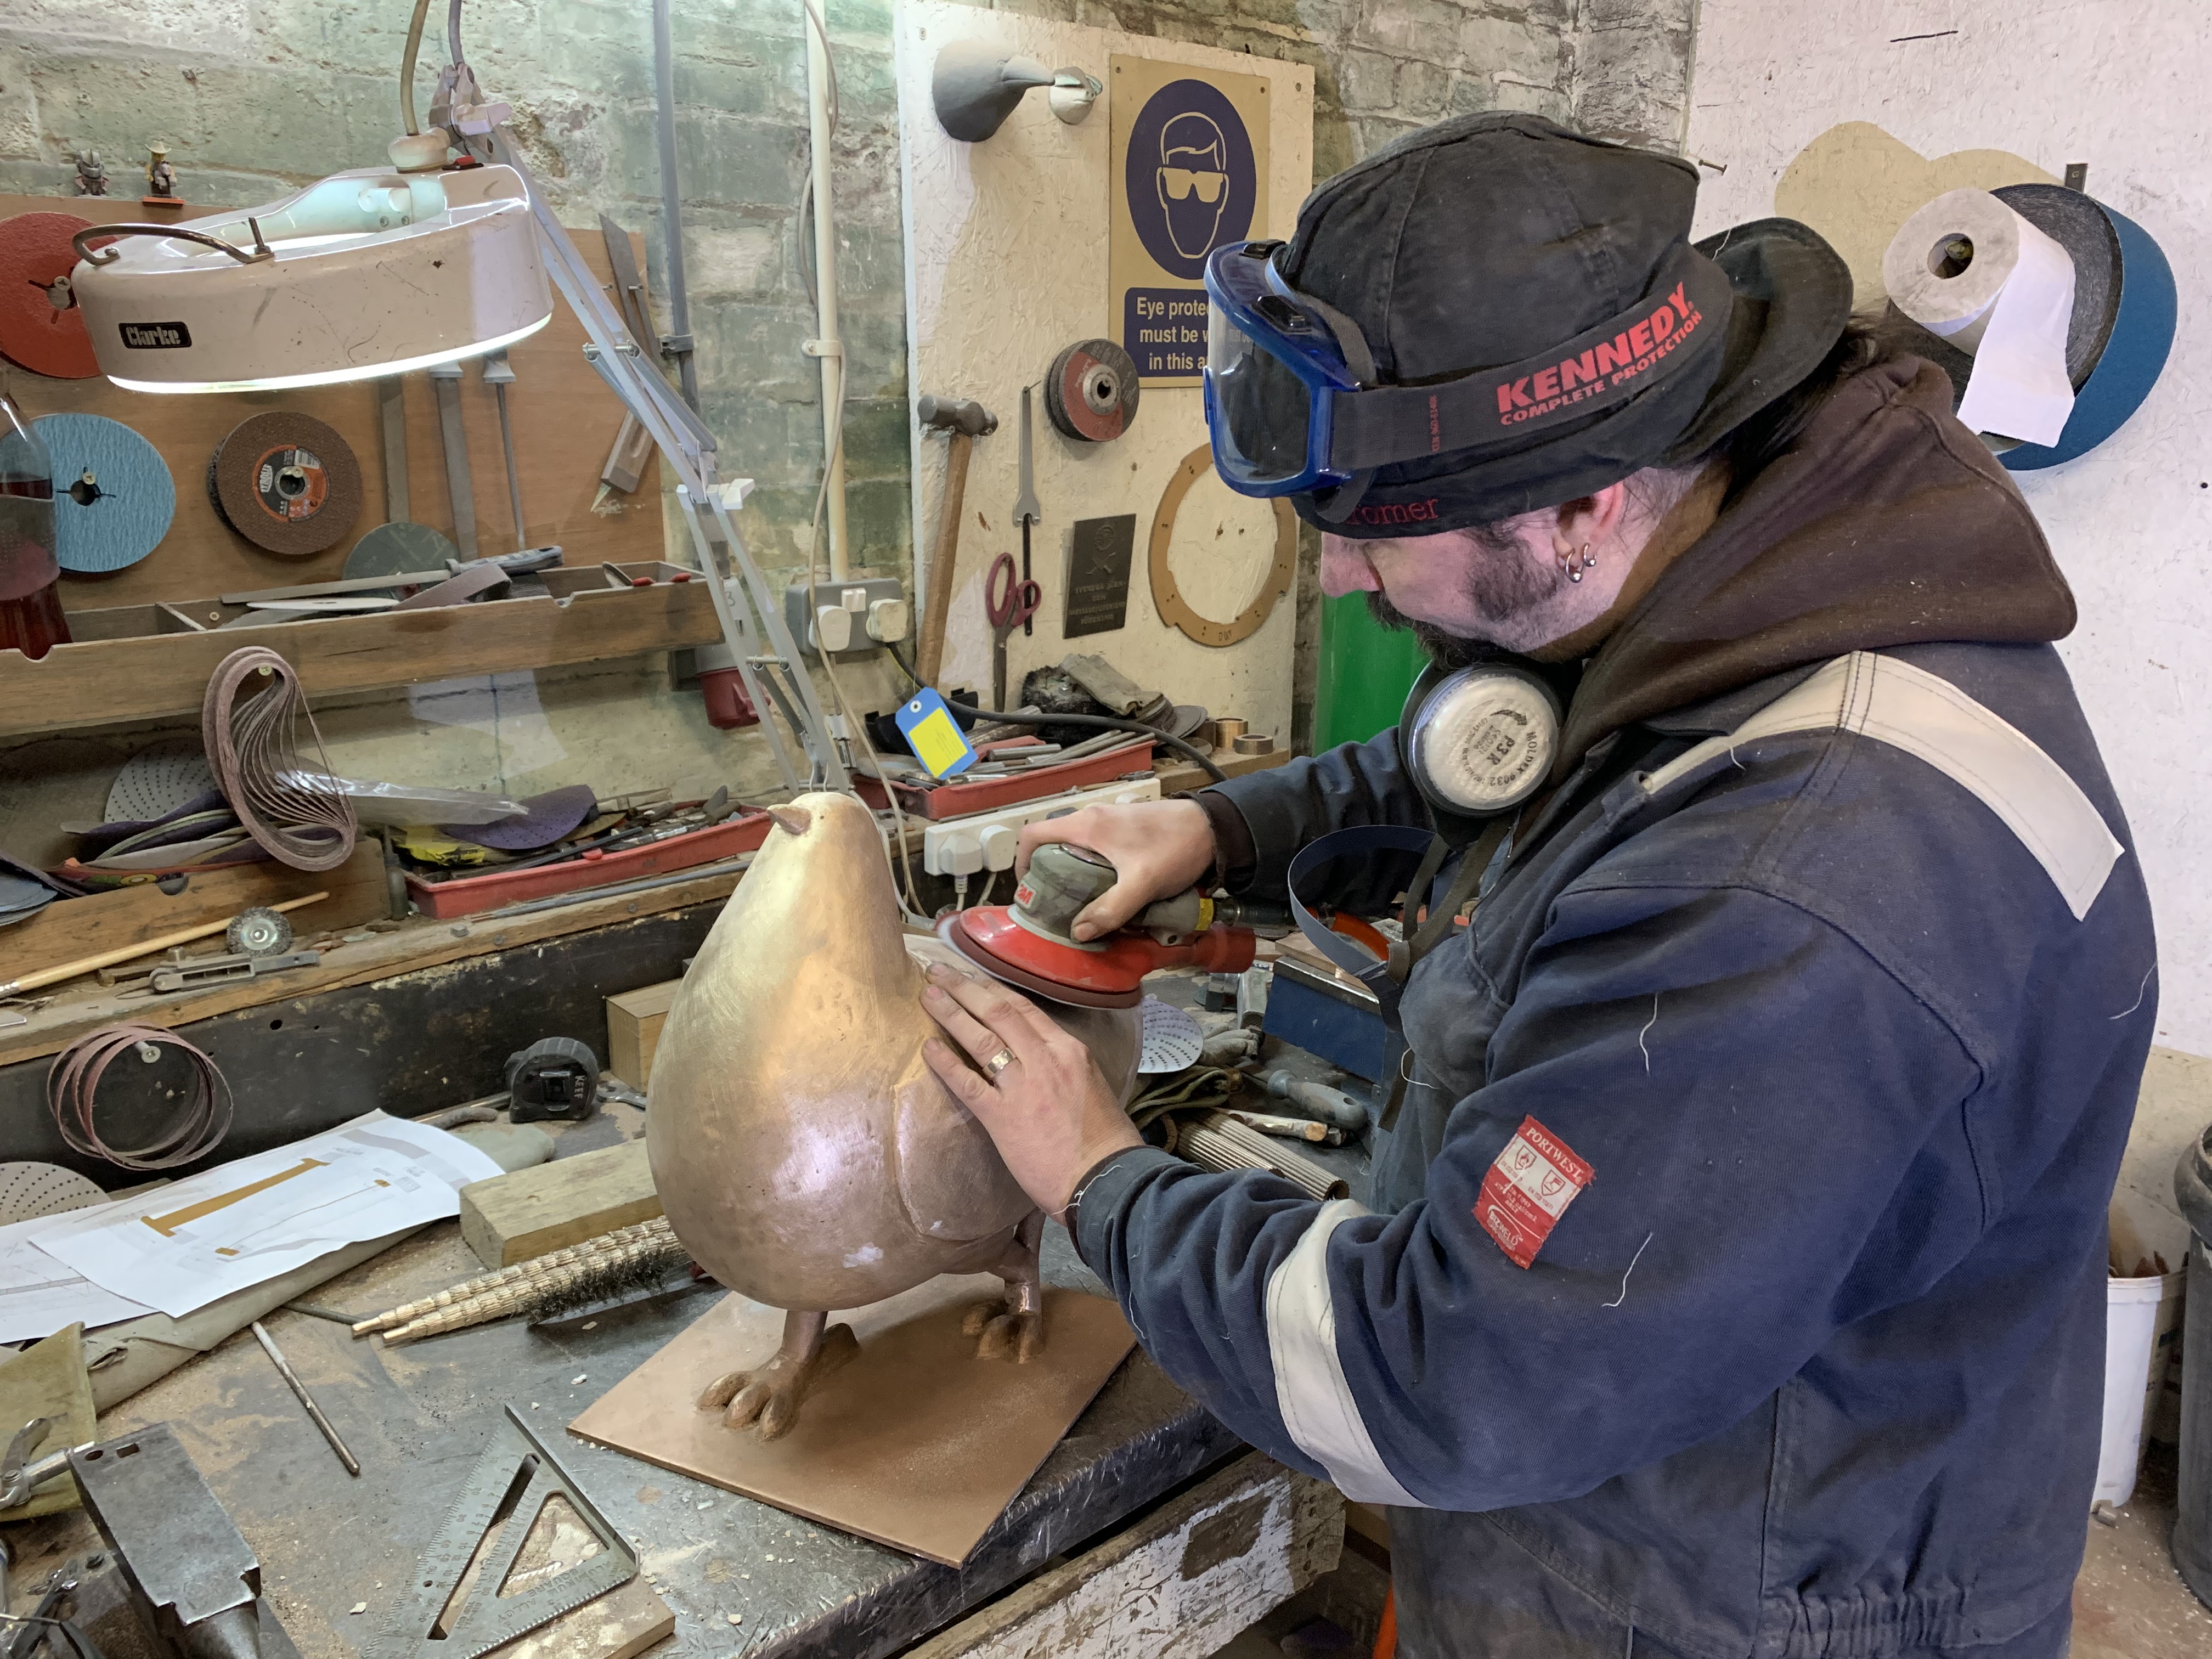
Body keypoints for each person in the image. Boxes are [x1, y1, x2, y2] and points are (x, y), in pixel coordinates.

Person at [920, 114, 2156, 1659]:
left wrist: (1097, 1176)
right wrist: (1223, 831)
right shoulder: (1735, 560)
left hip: (1737, 1601)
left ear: (1579, 505)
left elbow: (1442, 1385)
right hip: (1682, 1492)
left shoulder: (1796, 889)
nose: (1348, 582)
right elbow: (1531, 747)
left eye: (1380, 540)